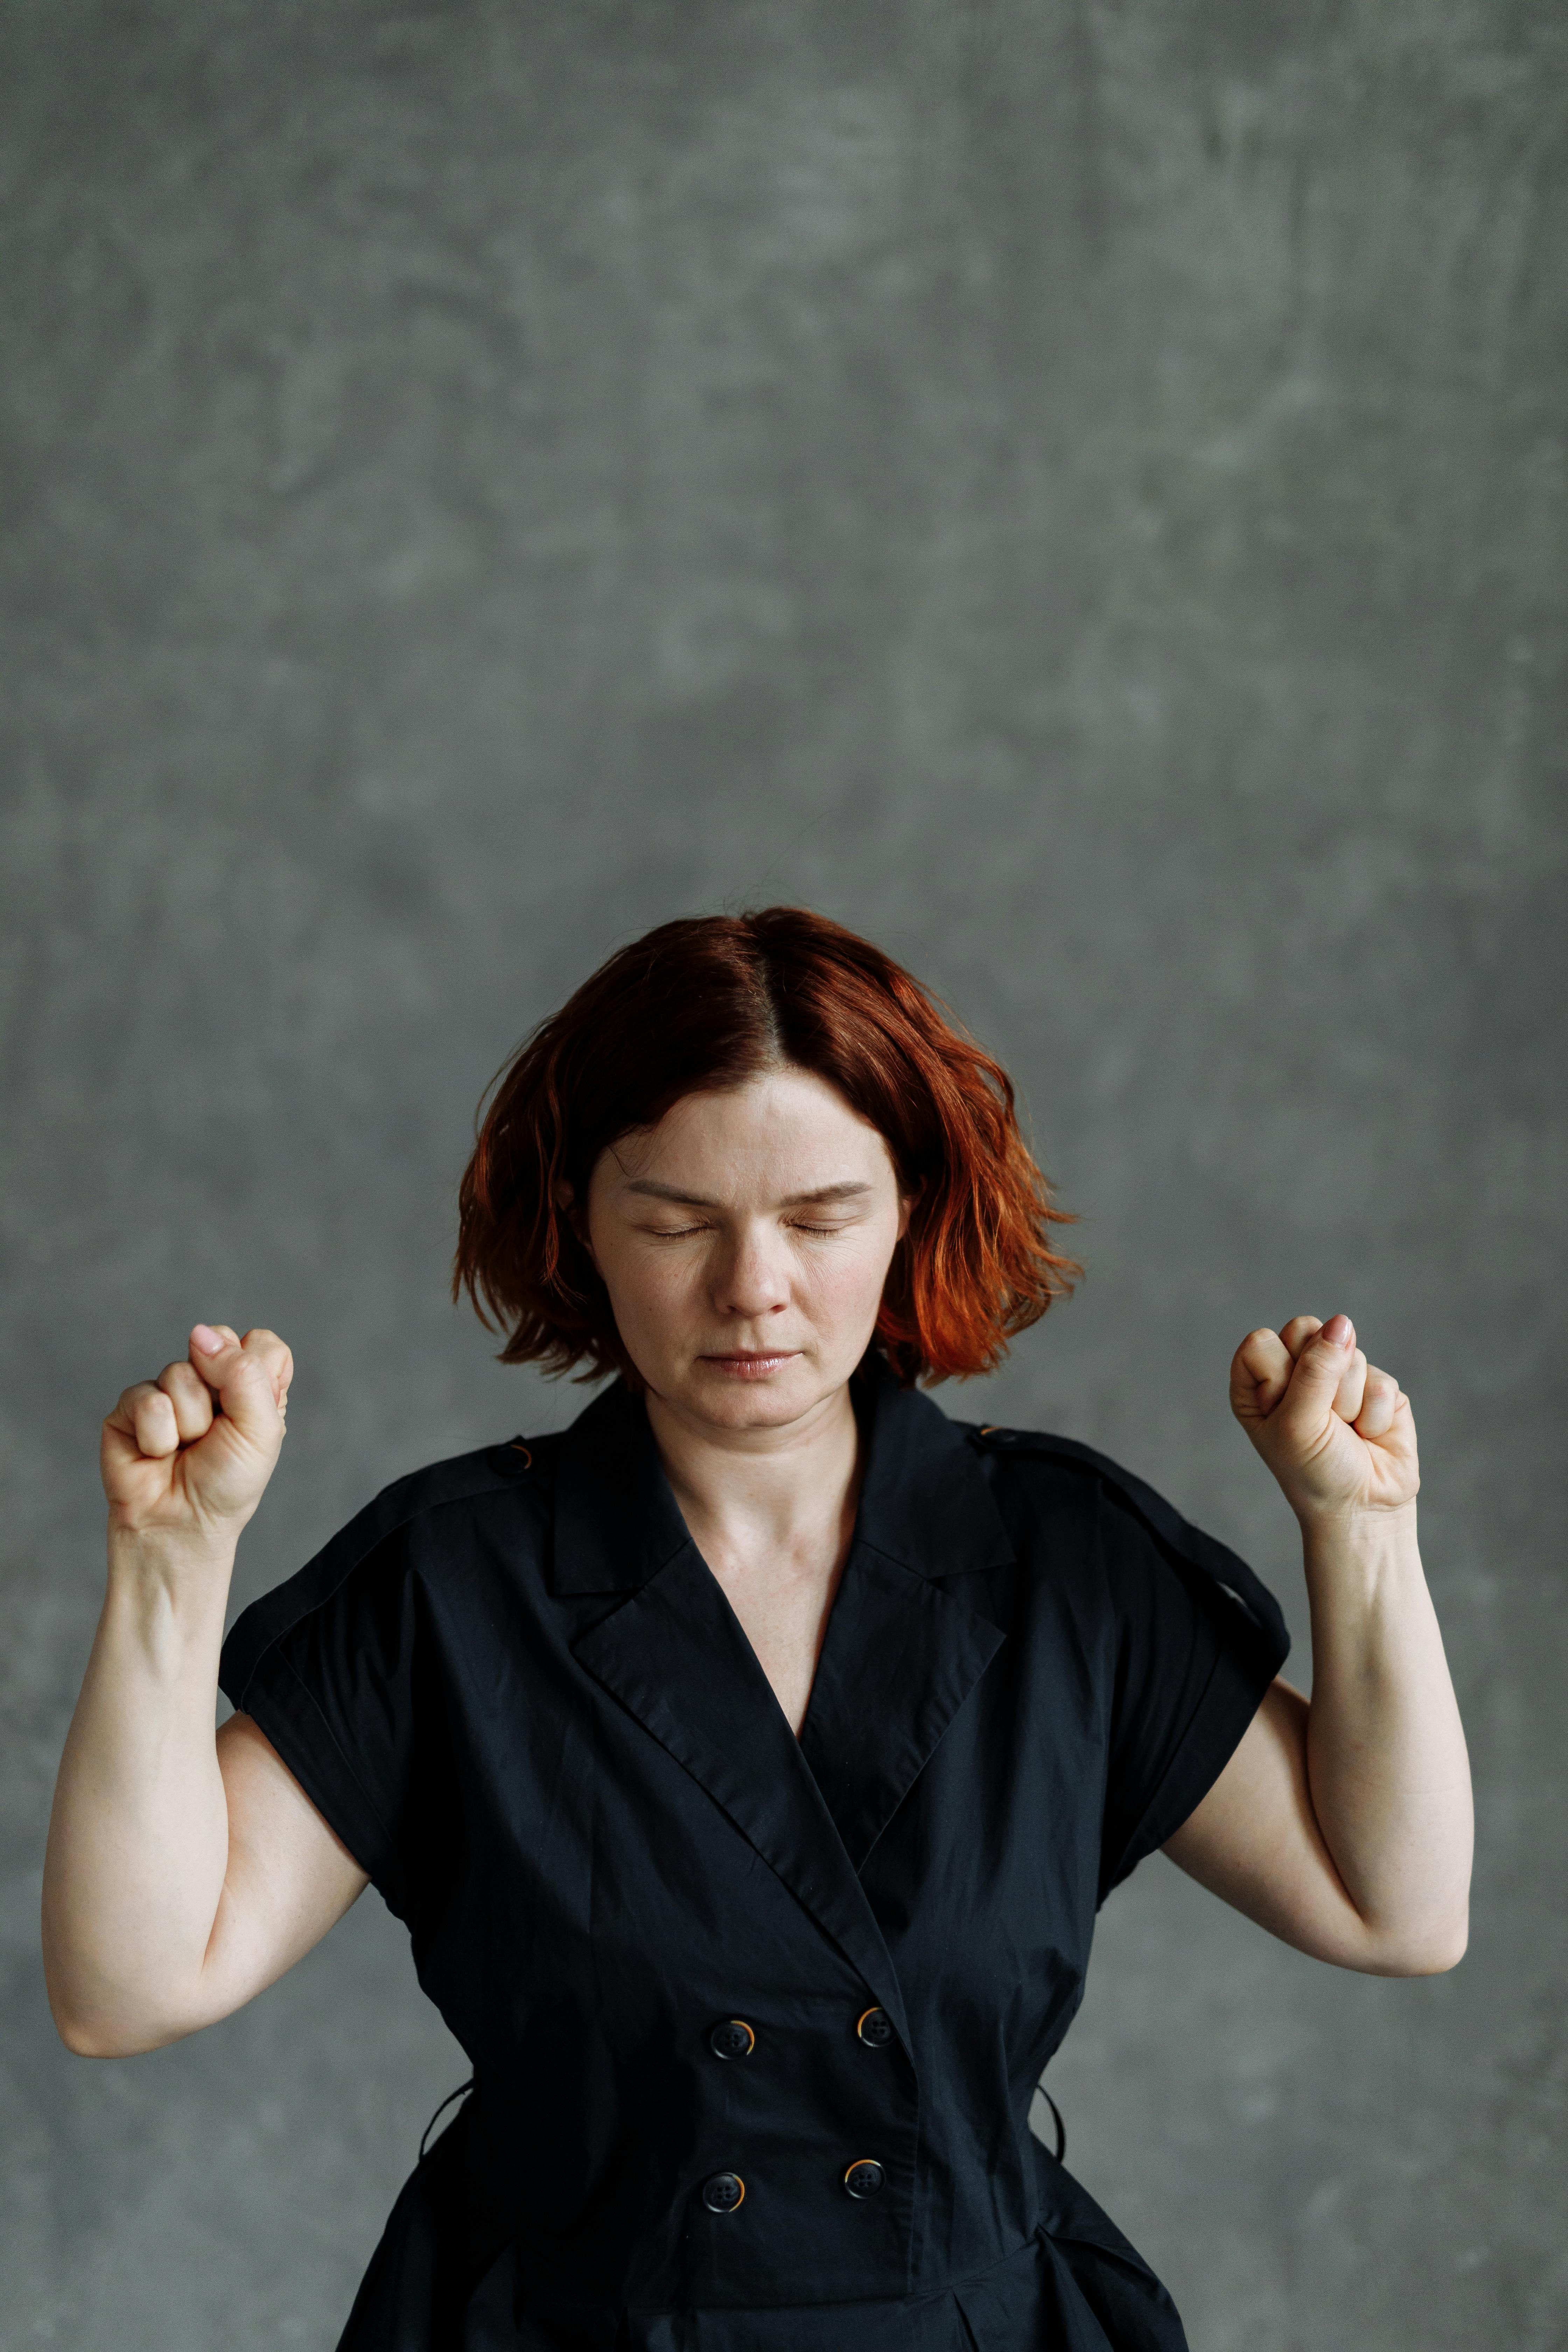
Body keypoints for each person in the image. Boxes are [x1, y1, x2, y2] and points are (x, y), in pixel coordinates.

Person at [42, 907, 1472, 2352]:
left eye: (818, 1218)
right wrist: (171, 1559)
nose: (753, 1289)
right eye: (676, 1222)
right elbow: (128, 1987)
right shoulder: (452, 1583)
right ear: (581, 1224)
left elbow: (1393, 1906)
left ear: (910, 1206)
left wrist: (1361, 1531)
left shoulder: (1062, 1562)